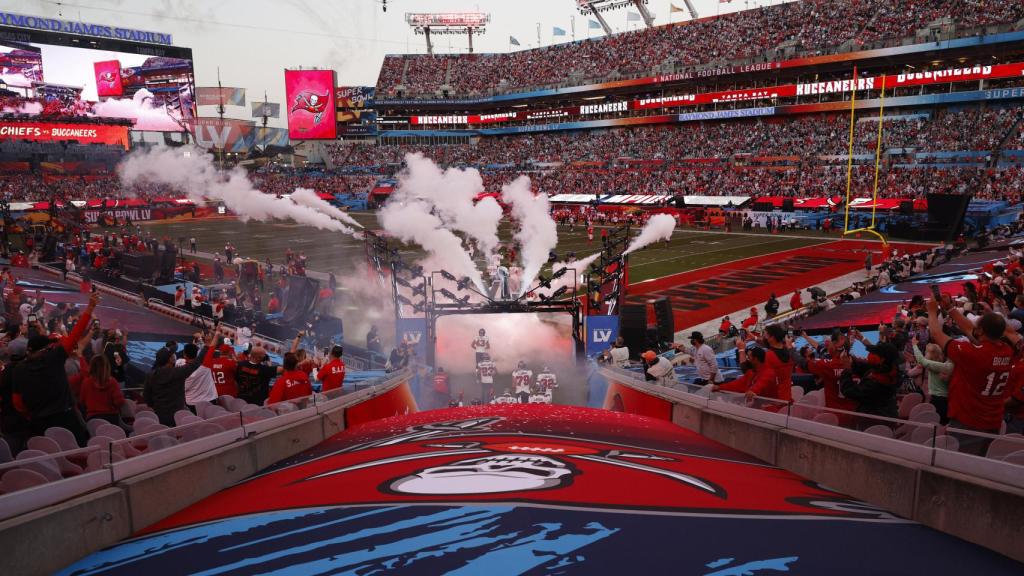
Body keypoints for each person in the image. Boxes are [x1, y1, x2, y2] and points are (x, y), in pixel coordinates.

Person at [11, 291, 99, 446]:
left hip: (38, 423)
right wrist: (90, 308)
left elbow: (18, 402)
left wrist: (32, 414)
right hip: (66, 420)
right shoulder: (54, 357)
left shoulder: (19, 369)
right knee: (79, 456)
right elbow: (75, 335)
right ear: (46, 349)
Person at [927, 300, 1014, 448]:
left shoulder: (971, 353)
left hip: (969, 422)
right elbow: (971, 331)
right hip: (993, 420)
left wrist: (931, 310)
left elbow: (936, 333)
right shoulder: (1007, 350)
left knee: (963, 465)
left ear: (980, 331)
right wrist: (950, 309)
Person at [144, 331, 213, 427]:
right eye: (172, 354)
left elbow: (147, 398)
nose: (174, 355)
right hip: (178, 415)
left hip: (159, 414)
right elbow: (195, 363)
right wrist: (206, 345)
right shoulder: (176, 372)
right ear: (170, 359)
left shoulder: (150, 375)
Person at [911, 335, 952, 423]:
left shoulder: (937, 366)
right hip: (941, 398)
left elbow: (922, 361)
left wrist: (914, 345)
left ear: (931, 354)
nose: (925, 354)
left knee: (939, 423)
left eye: (926, 352)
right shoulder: (940, 364)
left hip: (940, 399)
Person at [78, 355, 126, 428]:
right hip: (111, 419)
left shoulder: (86, 382)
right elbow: (119, 402)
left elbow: (82, 402)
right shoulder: (112, 382)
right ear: (107, 367)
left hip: (92, 420)